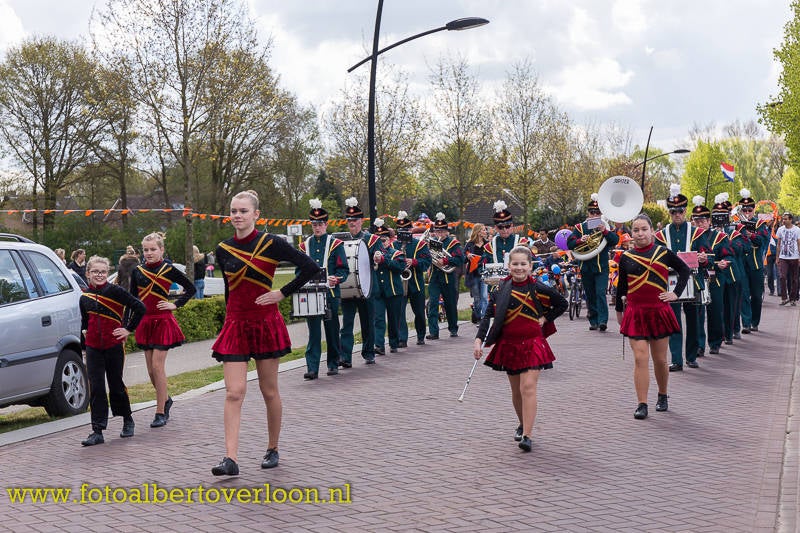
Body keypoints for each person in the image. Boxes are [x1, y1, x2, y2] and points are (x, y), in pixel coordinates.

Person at [210, 190, 321, 476]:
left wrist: (281, 293)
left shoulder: (272, 243)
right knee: (234, 392)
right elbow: (228, 289)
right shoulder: (223, 249)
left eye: (243, 211)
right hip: (236, 324)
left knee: (268, 390)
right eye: (233, 210)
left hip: (264, 323)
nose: (237, 215)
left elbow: (310, 268)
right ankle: (230, 458)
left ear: (256, 214)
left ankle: (272, 447)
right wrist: (226, 321)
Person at [473, 246, 567, 452]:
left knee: (528, 388)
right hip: (509, 344)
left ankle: (527, 435)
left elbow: (562, 303)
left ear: (530, 266)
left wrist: (546, 317)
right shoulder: (500, 289)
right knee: (516, 391)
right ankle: (523, 423)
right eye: (515, 264)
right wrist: (479, 340)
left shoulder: (537, 287)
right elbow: (488, 316)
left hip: (533, 342)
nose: (519, 268)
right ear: (509, 266)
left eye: (523, 264)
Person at [615, 214, 691, 420]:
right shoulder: (626, 257)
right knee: (640, 358)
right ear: (631, 234)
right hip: (636, 312)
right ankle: (642, 403)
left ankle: (663, 394)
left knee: (659, 359)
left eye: (643, 229)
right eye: (636, 230)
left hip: (659, 311)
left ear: (652, 231)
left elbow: (685, 270)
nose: (640, 234)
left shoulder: (663, 252)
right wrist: (619, 312)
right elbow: (622, 286)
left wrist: (676, 293)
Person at [130, 232, 196, 428]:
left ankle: (160, 412)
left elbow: (190, 289)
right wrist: (128, 326)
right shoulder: (137, 271)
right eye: (146, 250)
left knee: (158, 366)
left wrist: (175, 305)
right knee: (150, 370)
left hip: (163, 321)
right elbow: (133, 300)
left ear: (161, 250)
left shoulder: (168, 269)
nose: (149, 253)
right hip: (145, 322)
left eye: (153, 249)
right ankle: (166, 399)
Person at [79, 256, 146, 446]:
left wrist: (127, 328)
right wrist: (84, 348)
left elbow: (139, 307)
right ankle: (97, 430)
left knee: (116, 384)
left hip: (113, 345)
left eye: (102, 272)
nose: (99, 275)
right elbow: (84, 323)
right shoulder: (84, 296)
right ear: (88, 273)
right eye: (95, 272)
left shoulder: (116, 291)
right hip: (93, 347)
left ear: (107, 273)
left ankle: (127, 419)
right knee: (97, 387)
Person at [654, 184, 709, 371]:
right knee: (673, 320)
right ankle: (677, 359)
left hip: (692, 282)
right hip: (670, 283)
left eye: (680, 211)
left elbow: (708, 255)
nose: (676, 214)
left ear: (685, 211)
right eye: (673, 211)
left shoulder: (698, 232)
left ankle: (691, 356)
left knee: (693, 320)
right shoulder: (660, 235)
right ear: (669, 212)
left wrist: (703, 258)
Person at [297, 199, 349, 379]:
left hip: (330, 294)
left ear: (326, 224)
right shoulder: (305, 246)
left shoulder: (335, 244)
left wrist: (337, 278)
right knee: (313, 333)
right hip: (311, 294)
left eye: (320, 224)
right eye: (314, 224)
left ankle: (333, 363)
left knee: (332, 330)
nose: (317, 227)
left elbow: (344, 269)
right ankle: (312, 367)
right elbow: (298, 270)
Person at [338, 197, 385, 366]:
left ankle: (368, 352)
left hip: (367, 287)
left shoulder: (372, 239)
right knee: (347, 323)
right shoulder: (340, 240)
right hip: (347, 287)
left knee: (367, 322)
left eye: (355, 220)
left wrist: (379, 257)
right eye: (349, 220)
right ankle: (345, 357)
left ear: (361, 221)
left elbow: (381, 256)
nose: (352, 223)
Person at [567, 193, 619, 332]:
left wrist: (605, 232)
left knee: (601, 293)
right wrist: (580, 240)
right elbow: (570, 243)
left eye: (597, 212)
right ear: (588, 213)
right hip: (585, 266)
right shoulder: (579, 228)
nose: (594, 215)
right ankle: (594, 320)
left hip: (601, 266)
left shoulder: (606, 226)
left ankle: (603, 321)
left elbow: (615, 240)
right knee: (590, 295)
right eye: (592, 212)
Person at [693, 196, 733, 355]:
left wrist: (724, 262)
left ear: (709, 221)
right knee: (697, 313)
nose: (700, 223)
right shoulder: (692, 237)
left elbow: (729, 256)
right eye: (697, 220)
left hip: (715, 277)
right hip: (697, 278)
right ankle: (699, 345)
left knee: (715, 310)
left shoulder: (720, 237)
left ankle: (715, 342)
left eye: (703, 220)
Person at [735, 189, 770, 332]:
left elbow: (762, 241)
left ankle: (755, 321)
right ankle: (746, 323)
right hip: (742, 263)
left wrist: (751, 235)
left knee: (756, 295)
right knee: (744, 294)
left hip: (755, 264)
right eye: (744, 210)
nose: (747, 212)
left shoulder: (760, 224)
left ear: (753, 209)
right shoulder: (736, 223)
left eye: (749, 210)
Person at [426, 212, 464, 339]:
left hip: (448, 277)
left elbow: (460, 259)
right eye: (437, 231)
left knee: (450, 304)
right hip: (434, 277)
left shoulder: (454, 244)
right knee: (432, 304)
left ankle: (453, 328)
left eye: (442, 231)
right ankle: (433, 332)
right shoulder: (431, 242)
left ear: (447, 231)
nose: (439, 234)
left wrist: (446, 261)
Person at [395, 212, 431, 346]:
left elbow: (427, 261)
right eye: (400, 230)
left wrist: (414, 262)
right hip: (399, 283)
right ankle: (402, 339)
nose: (403, 232)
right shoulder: (394, 246)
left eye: (405, 229)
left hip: (415, 283)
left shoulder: (419, 244)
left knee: (419, 312)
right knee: (400, 313)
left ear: (410, 230)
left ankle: (421, 335)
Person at [372, 219, 406, 355]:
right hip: (378, 292)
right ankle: (379, 345)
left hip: (393, 291)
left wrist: (383, 259)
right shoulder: (371, 254)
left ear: (389, 240)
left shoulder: (396, 253)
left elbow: (400, 267)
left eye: (384, 240)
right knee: (378, 319)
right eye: (379, 241)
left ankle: (393, 343)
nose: (382, 243)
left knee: (393, 319)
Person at [464, 223, 489, 323]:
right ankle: (477, 316)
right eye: (483, 230)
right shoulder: (469, 244)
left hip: (484, 273)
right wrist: (467, 256)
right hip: (473, 274)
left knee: (484, 297)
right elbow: (463, 258)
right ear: (478, 232)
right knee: (477, 299)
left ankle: (483, 318)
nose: (485, 232)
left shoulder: (487, 244)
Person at [776, 212, 800, 306]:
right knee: (782, 277)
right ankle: (784, 298)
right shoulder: (780, 229)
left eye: (785, 219)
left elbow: (799, 243)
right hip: (783, 257)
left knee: (794, 279)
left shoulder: (797, 230)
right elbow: (778, 244)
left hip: (794, 257)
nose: (784, 221)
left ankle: (793, 299)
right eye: (783, 219)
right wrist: (777, 257)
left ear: (790, 220)